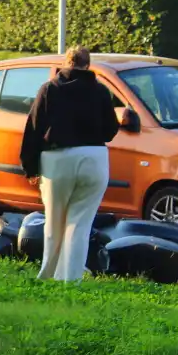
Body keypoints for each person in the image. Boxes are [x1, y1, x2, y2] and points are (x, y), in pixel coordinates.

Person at [19, 46, 119, 283]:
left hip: (58, 159)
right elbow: (110, 131)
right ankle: (71, 279)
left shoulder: (50, 89)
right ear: (88, 65)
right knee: (80, 224)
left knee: (54, 222)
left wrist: (30, 167)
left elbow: (33, 129)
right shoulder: (101, 91)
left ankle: (48, 276)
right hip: (94, 158)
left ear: (66, 63)